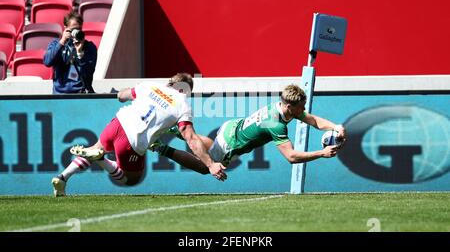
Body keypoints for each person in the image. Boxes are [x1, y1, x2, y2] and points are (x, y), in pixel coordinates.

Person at [51, 73, 227, 197]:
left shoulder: (150, 86)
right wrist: (210, 164)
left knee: (97, 148)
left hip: (119, 121)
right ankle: (100, 159)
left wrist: (122, 93)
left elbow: (122, 95)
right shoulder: (182, 104)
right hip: (133, 140)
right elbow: (191, 138)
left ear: (171, 83)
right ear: (186, 91)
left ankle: (62, 178)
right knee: (131, 179)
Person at [150, 84, 347, 175]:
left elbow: (312, 120)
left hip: (231, 127)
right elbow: (292, 157)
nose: (303, 110)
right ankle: (159, 147)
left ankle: (177, 130)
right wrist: (321, 153)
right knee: (205, 167)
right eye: (301, 107)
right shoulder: (276, 124)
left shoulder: (283, 108)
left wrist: (335, 127)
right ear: (289, 106)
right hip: (232, 143)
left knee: (211, 147)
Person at [43, 12, 97, 94]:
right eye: (73, 30)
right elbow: (47, 62)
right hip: (60, 94)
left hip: (81, 93)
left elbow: (89, 73)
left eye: (79, 29)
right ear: (66, 28)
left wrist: (79, 53)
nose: (76, 32)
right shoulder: (56, 44)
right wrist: (62, 42)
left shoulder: (89, 47)